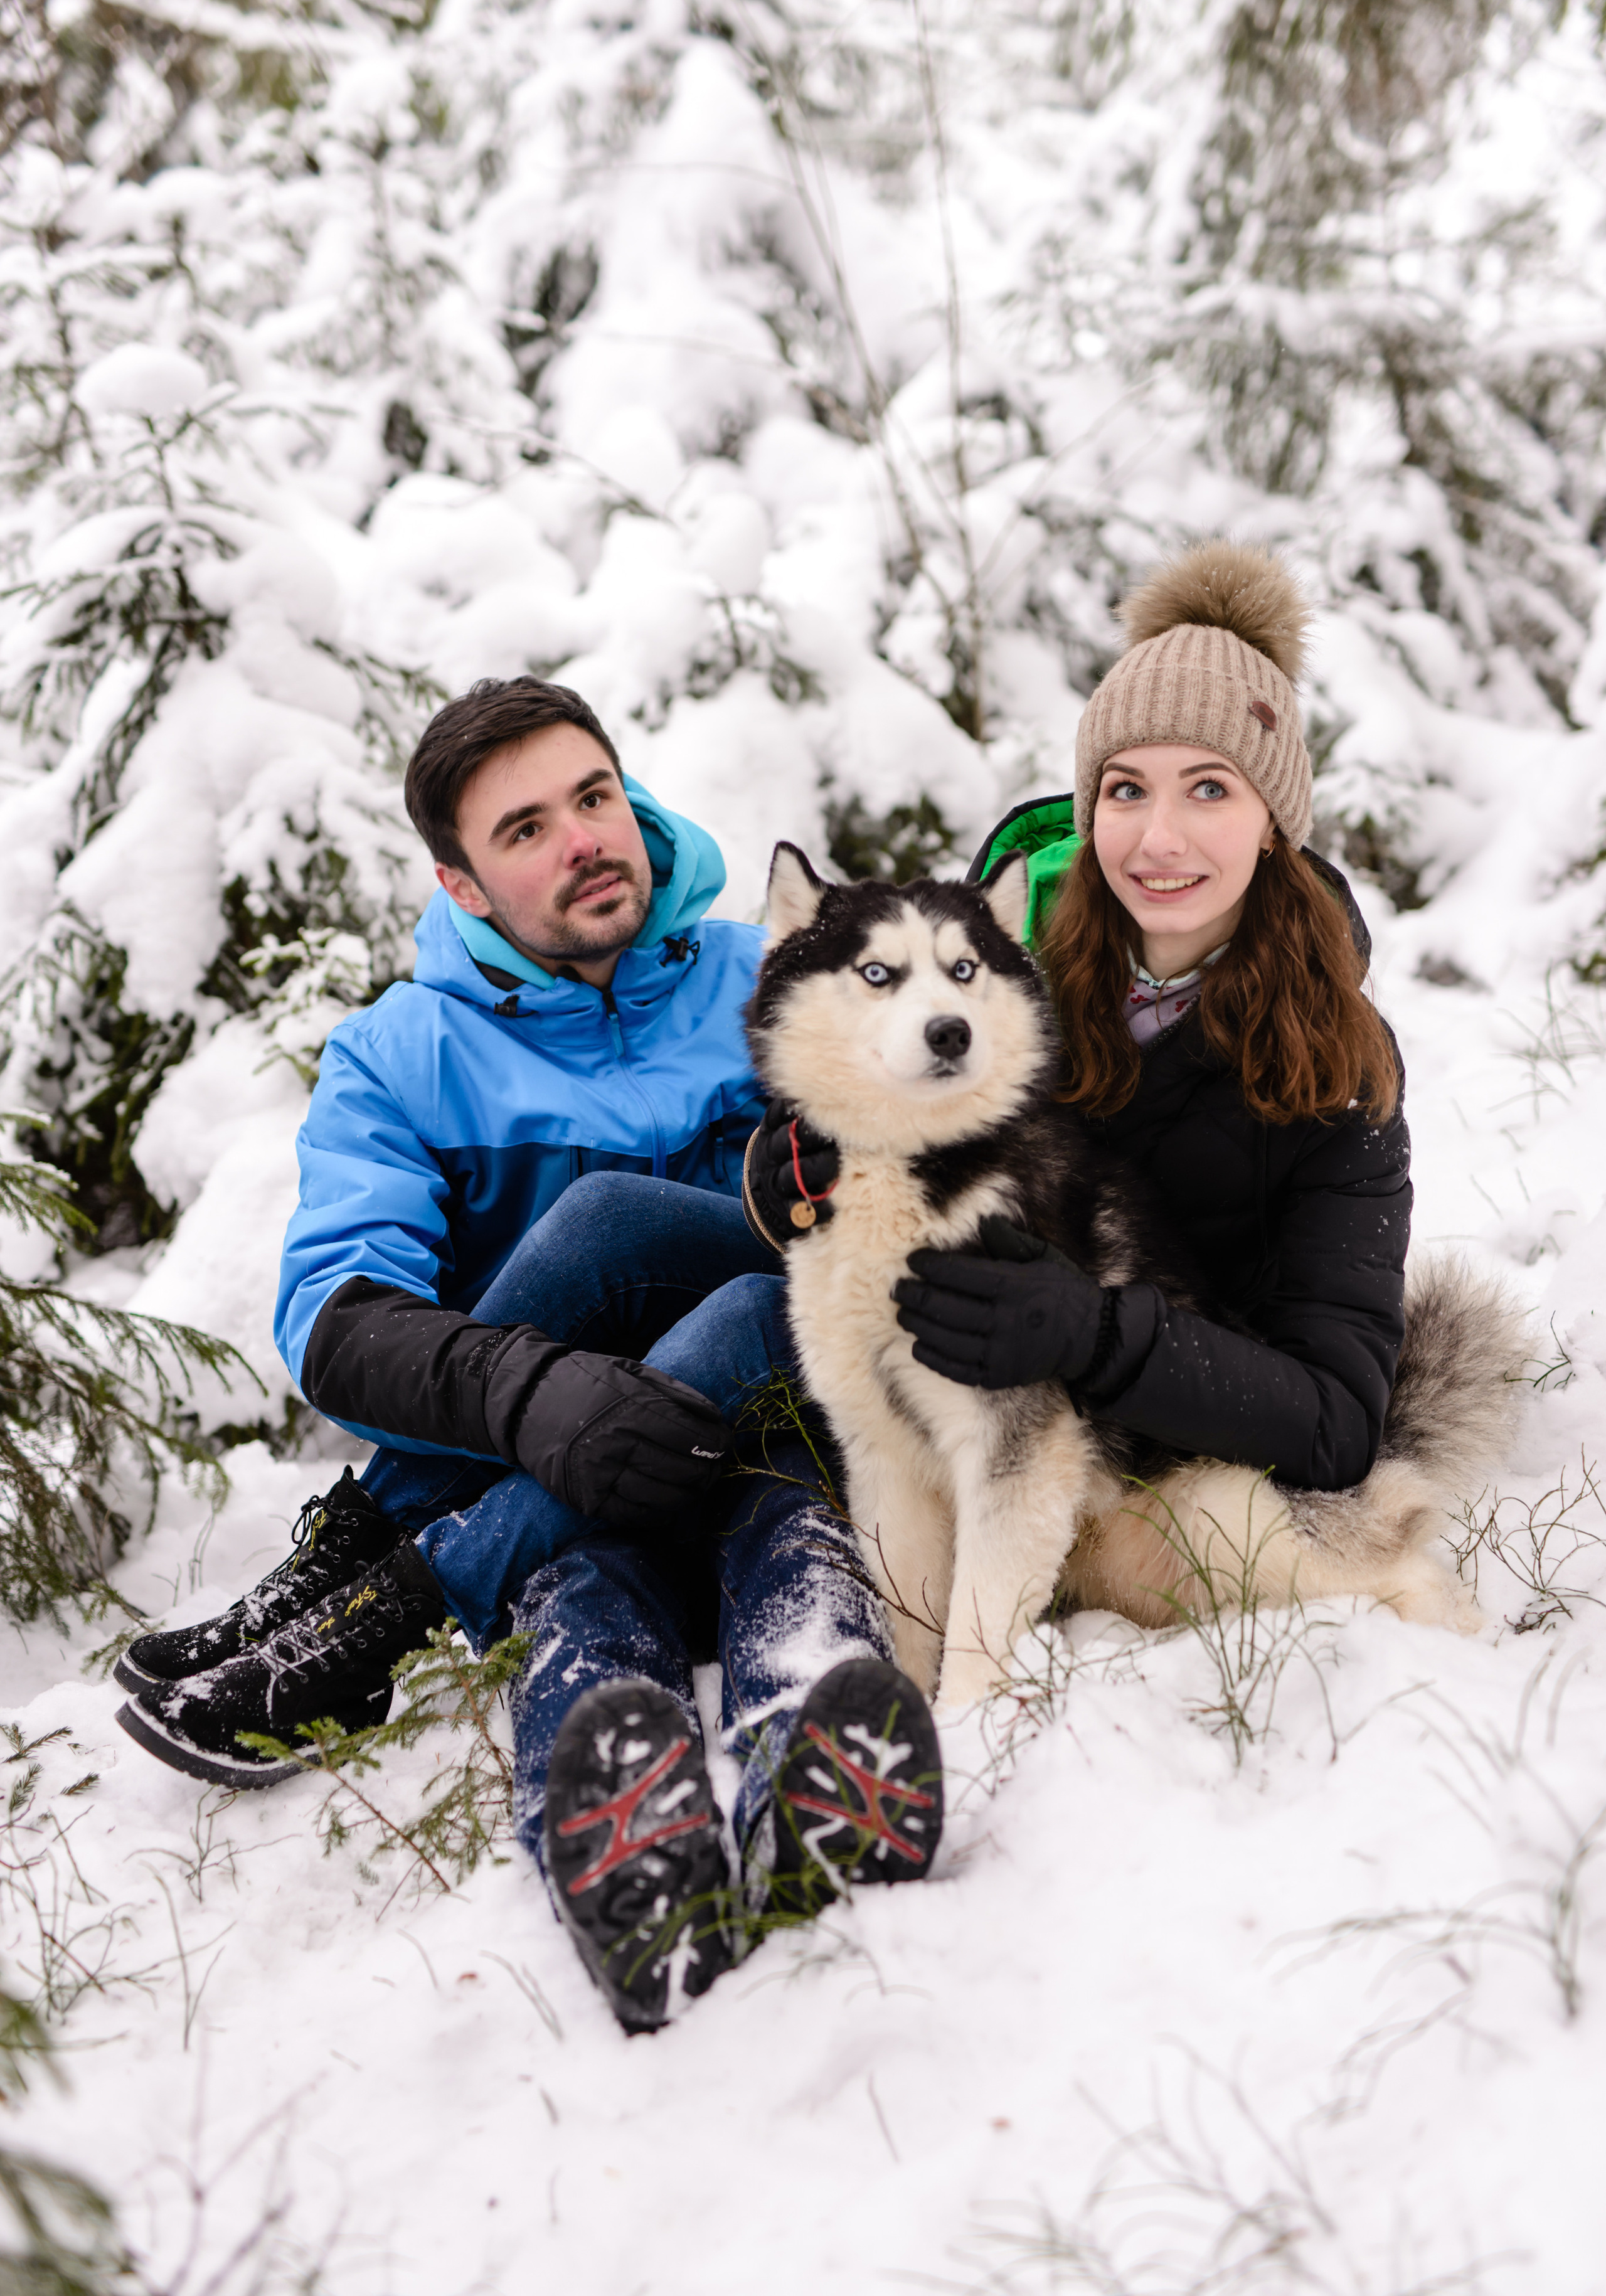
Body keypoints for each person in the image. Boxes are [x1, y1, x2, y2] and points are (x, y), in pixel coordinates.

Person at [114, 676, 942, 2033]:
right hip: (555, 1492)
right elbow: (338, 1321)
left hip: (784, 1444)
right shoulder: (403, 1055)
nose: (582, 841)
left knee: (757, 1414)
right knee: (587, 1597)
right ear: (461, 880)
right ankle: (617, 1833)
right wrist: (539, 1390)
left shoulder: (772, 971)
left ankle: (807, 1755)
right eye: (525, 830)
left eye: (595, 798)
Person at [890, 540, 1412, 1501]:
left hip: (1125, 1437)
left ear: (1272, 820)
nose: (1159, 839)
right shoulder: (999, 974)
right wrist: (790, 1165)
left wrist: (1095, 1331)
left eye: (1209, 788)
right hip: (923, 1352)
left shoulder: (1339, 1068)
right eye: (1127, 788)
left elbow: (1337, 1422)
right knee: (617, 1224)